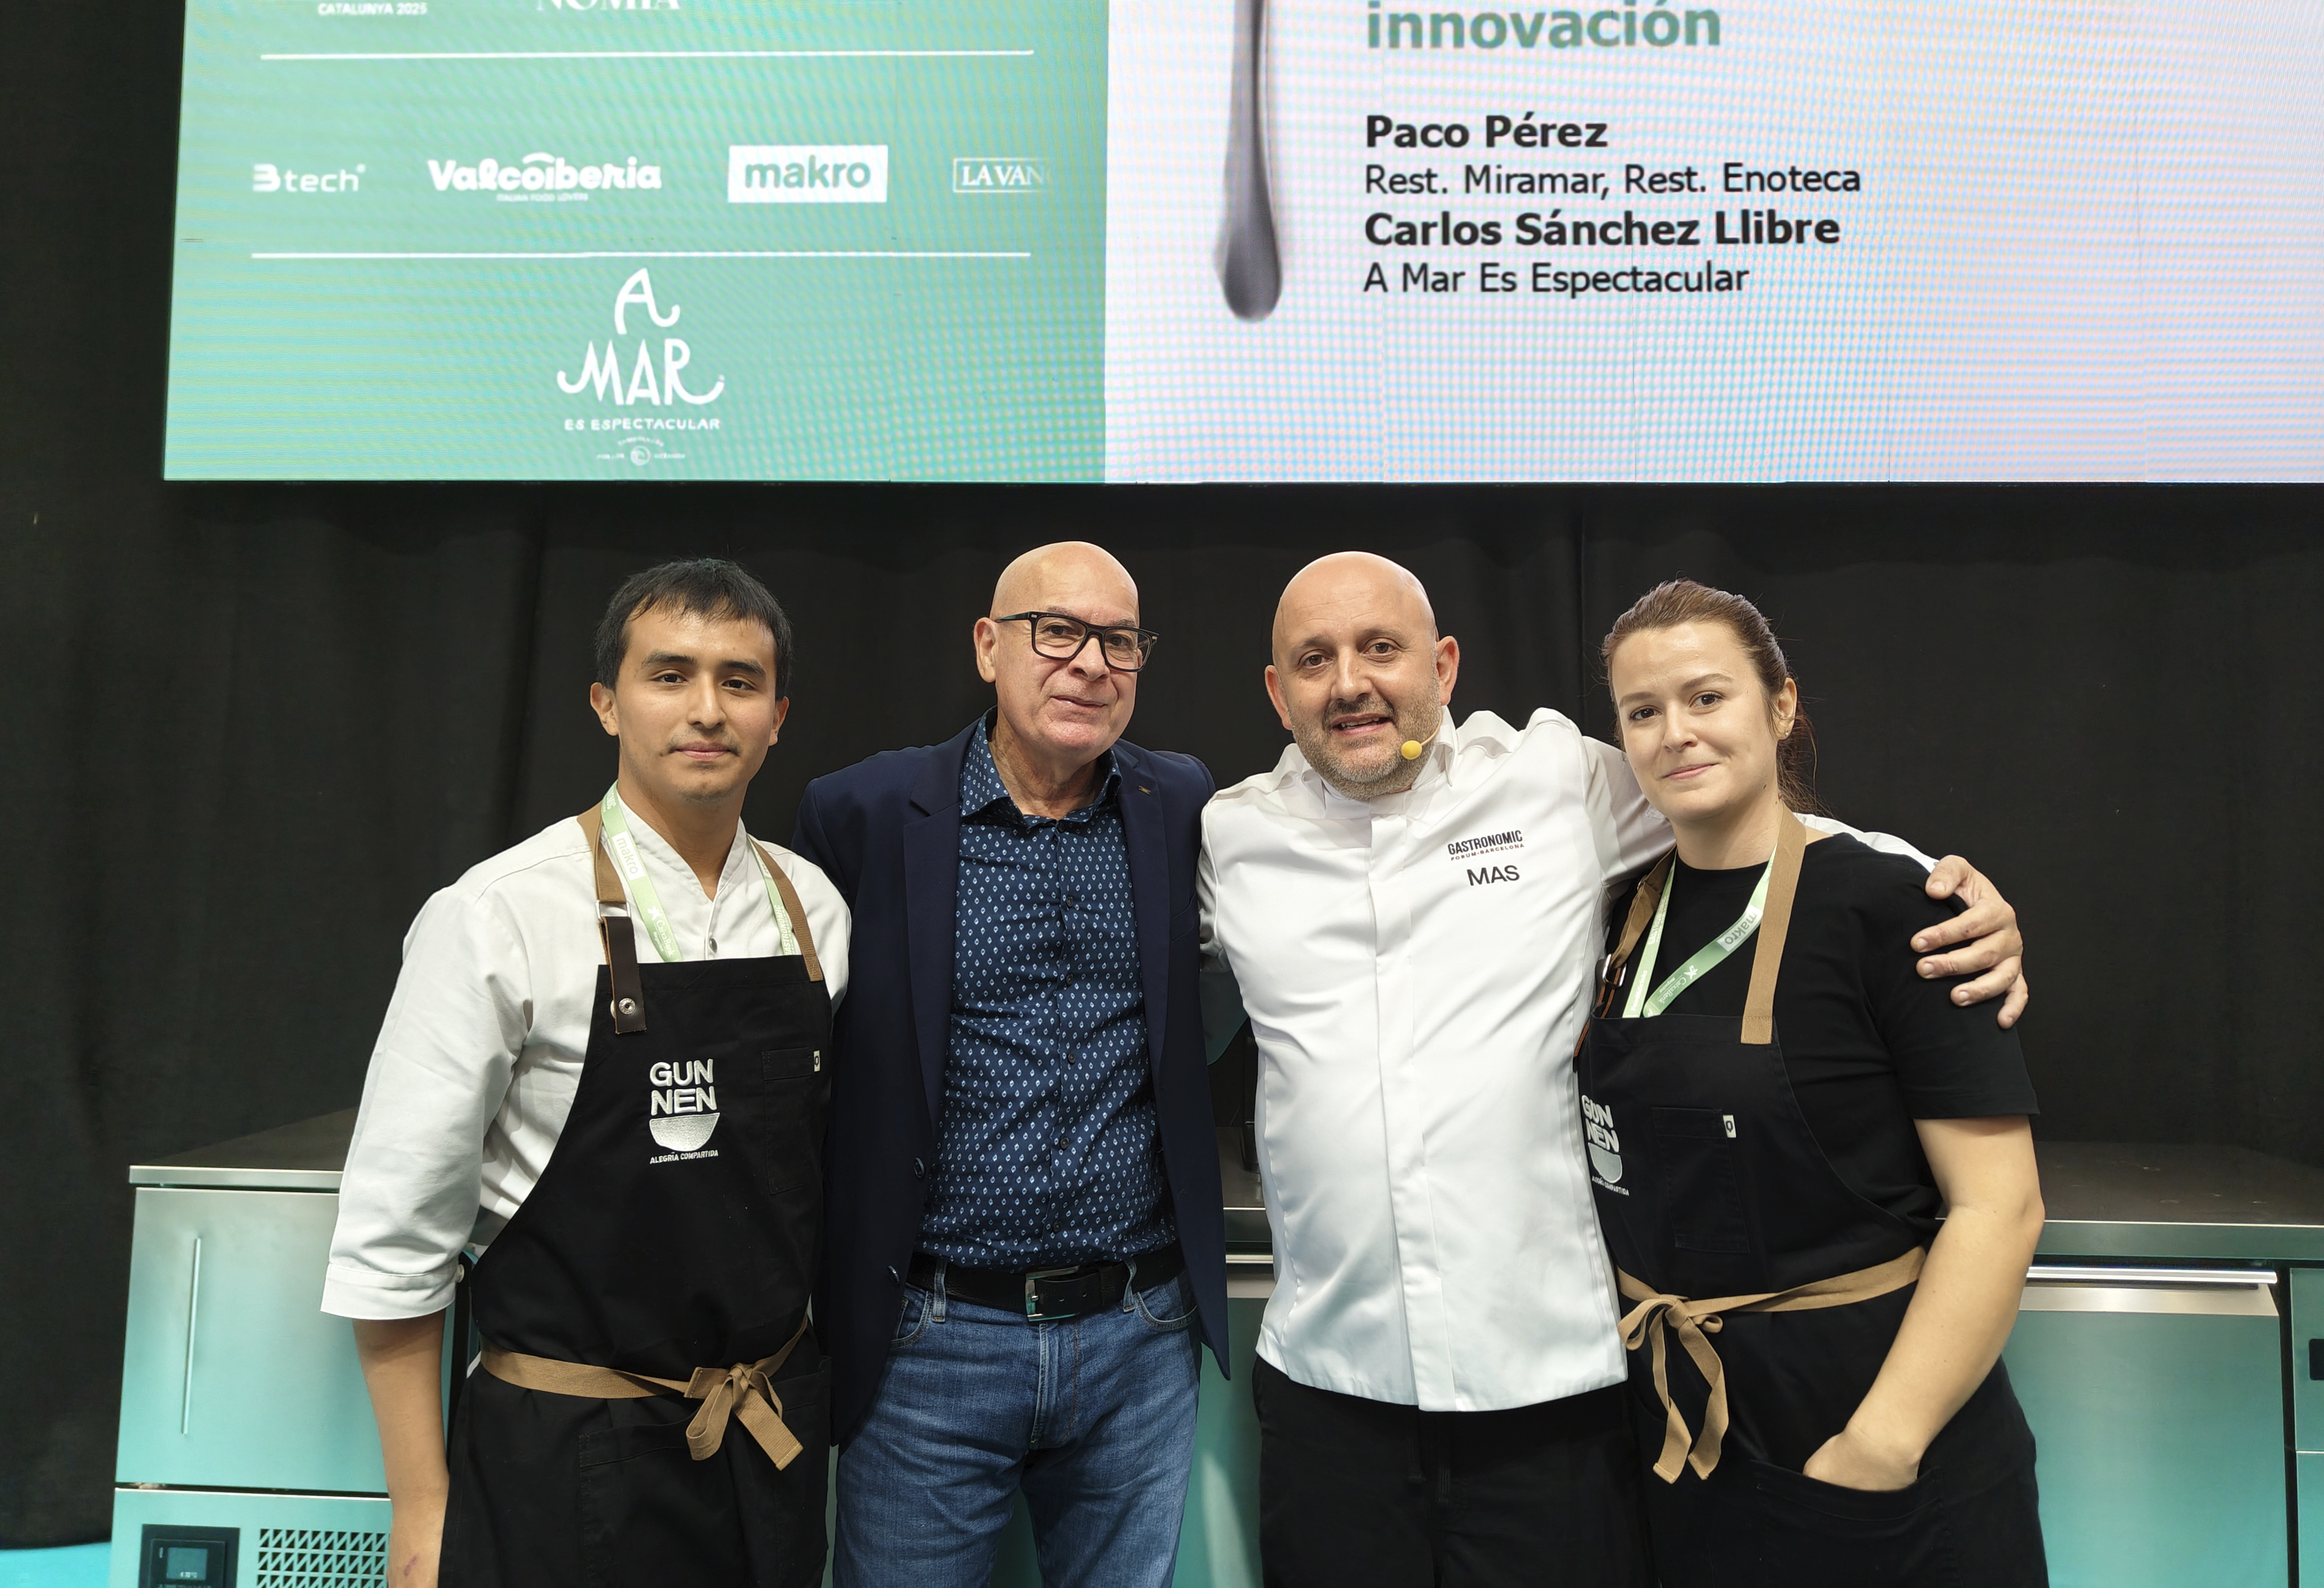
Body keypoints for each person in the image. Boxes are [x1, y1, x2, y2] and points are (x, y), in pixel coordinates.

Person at [1198, 551, 2028, 1588]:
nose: (1351, 683)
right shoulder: (1228, 836)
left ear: (1443, 666)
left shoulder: (1555, 780)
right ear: (1277, 693)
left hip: (1556, 1400)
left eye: (1381, 648)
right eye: (1314, 660)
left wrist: (1944, 890)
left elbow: (1740, 807)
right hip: (1330, 1396)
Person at [323, 559, 851, 1588]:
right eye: (670, 675)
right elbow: (395, 1244)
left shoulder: (815, 913)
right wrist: (420, 1514)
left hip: (765, 1446)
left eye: (740, 682)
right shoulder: (496, 915)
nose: (708, 710)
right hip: (564, 1460)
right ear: (607, 702)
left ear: (778, 718)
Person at [1578, 579, 2045, 1585]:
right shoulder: (1618, 920)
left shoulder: (1899, 907)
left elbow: (2000, 1207)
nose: (1675, 733)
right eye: (1643, 712)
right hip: (1689, 1448)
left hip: (1876, 1441)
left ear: (1781, 706)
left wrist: (1878, 1448)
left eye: (1707, 698)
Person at [791, 541, 1228, 1588]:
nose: (1091, 664)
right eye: (1058, 632)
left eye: (1119, 641)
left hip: (1140, 1337)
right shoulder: (860, 813)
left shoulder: (1182, 802)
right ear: (989, 647)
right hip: (931, 1341)